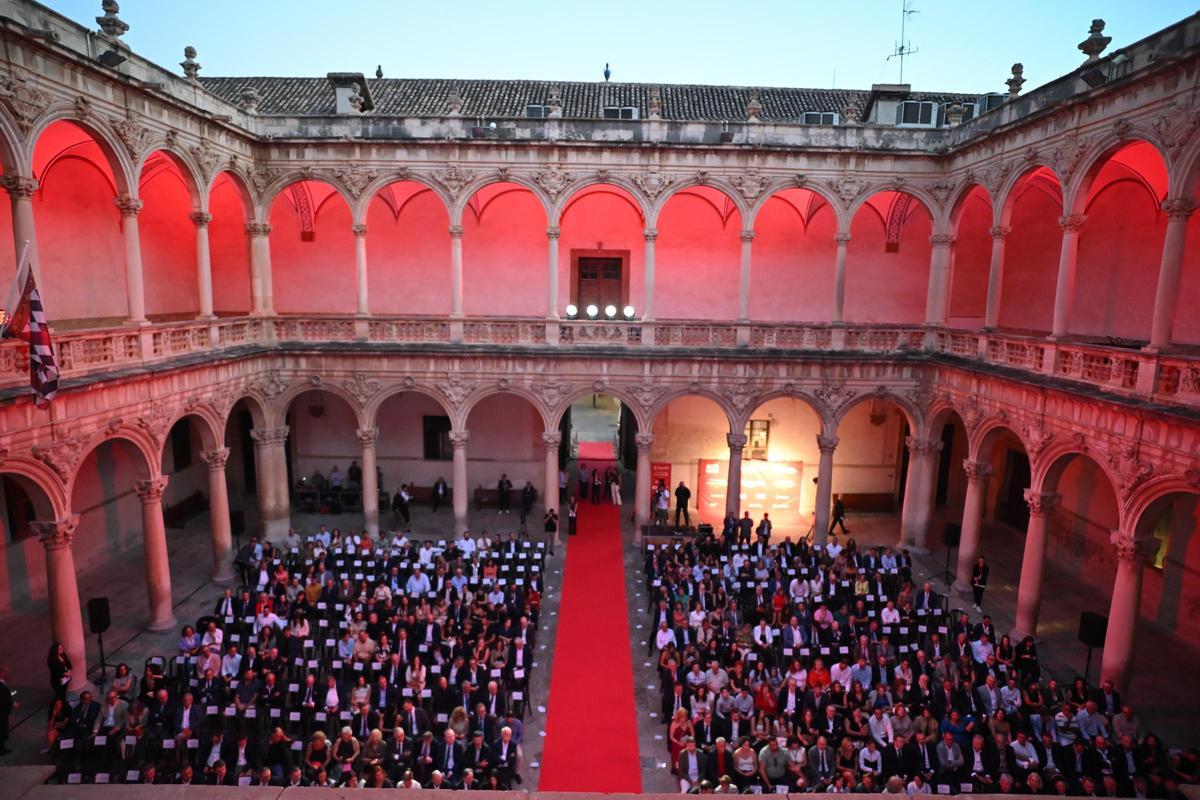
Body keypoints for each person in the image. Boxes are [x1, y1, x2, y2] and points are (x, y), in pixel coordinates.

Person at [0, 665, 15, 756]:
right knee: (2, 730)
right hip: (1, 713)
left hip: (3, 712)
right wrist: (11, 703)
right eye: (6, 672)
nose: (8, 674)